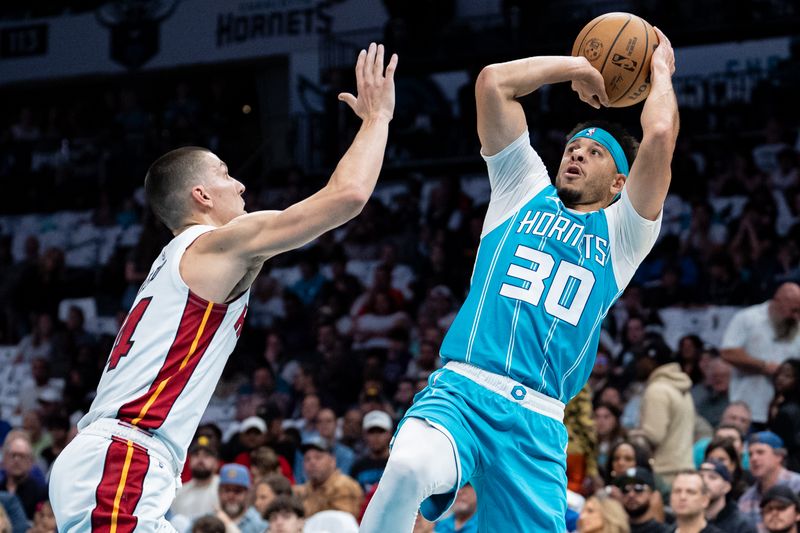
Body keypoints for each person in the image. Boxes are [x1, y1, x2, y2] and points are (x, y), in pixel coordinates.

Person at [48, 43, 398, 532]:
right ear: (202, 195)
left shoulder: (174, 261)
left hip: (117, 459)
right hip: (125, 459)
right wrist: (377, 119)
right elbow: (348, 197)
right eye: (227, 175)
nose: (241, 186)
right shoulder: (213, 246)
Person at [360, 27, 678, 533]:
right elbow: (494, 84)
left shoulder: (625, 235)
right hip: (464, 389)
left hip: (538, 422)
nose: (575, 154)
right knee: (408, 467)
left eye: (594, 153)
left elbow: (659, 136)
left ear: (620, 182)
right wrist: (578, 67)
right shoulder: (521, 188)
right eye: (573, 147)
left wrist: (659, 71)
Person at [720, 282, 800, 428]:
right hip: (748, 408)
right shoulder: (748, 318)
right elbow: (728, 352)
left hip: (787, 410)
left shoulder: (797, 324)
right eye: (793, 310)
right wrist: (763, 366)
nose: (796, 316)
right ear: (779, 301)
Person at [633, 339, 696, 486]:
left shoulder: (657, 390)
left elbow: (653, 435)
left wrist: (629, 435)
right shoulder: (680, 388)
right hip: (684, 469)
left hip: (664, 474)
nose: (639, 364)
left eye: (642, 359)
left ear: (651, 360)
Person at [738, 431, 800, 528]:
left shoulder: (797, 485)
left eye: (760, 452)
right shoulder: (746, 498)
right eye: (750, 454)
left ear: (779, 456)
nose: (754, 458)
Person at [293, 435, 363, 519]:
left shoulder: (344, 485)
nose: (312, 462)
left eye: (318, 457)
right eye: (307, 459)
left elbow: (340, 524)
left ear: (332, 461)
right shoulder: (304, 490)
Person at [170, 435, 221, 520]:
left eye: (207, 456)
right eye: (196, 455)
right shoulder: (179, 492)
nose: (200, 459)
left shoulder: (223, 489)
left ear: (216, 463)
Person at [0, 431, 47, 520]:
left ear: (30, 461)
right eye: (13, 455)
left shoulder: (40, 492)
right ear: (5, 458)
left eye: (22, 456)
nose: (16, 460)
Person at [698, 460, 755, 533]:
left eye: (712, 477)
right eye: (700, 477)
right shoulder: (686, 519)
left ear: (726, 487)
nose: (705, 481)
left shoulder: (742, 525)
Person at [613, 467, 669, 533]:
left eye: (638, 488)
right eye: (625, 489)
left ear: (652, 494)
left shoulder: (667, 531)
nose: (631, 494)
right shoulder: (614, 530)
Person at [768, 358, 800, 472]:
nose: (780, 379)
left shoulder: (788, 412)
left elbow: (783, 445)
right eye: (779, 374)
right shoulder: (779, 404)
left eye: (787, 376)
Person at [217, 463, 268, 533]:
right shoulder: (207, 522)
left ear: (248, 493)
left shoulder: (260, 523)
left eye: (237, 491)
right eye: (227, 490)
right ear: (219, 492)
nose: (231, 496)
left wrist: (228, 524)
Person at [350, 410, 393, 494]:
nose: (376, 437)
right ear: (364, 435)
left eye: (381, 431)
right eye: (371, 432)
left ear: (389, 434)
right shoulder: (357, 467)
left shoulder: (397, 464)